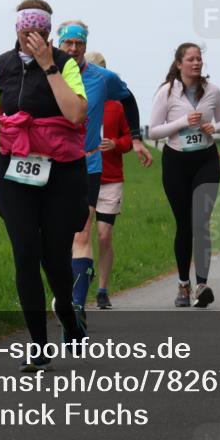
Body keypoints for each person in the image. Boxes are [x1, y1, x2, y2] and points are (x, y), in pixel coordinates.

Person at [0, 0, 89, 372]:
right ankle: (39, 346)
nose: (31, 39)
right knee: (25, 252)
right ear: (17, 31)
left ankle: (69, 318)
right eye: (25, 33)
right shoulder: (1, 65)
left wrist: (47, 65)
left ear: (48, 32)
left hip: (60, 172)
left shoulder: (65, 64)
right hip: (14, 170)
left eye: (38, 33)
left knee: (53, 259)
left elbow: (75, 113)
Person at [57, 21, 153, 327]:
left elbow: (128, 98)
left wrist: (135, 138)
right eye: (67, 44)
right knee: (55, 239)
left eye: (78, 44)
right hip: (52, 164)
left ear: (86, 45)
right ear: (58, 44)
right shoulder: (47, 75)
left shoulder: (103, 77)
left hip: (88, 164)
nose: (72, 50)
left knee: (83, 233)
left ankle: (76, 306)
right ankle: (64, 294)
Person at [148, 43, 220, 308]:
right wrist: (183, 123)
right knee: (184, 225)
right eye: (191, 59)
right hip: (176, 162)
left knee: (201, 222)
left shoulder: (213, 90)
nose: (196, 63)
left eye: (199, 59)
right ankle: (184, 285)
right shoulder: (167, 92)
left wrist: (213, 127)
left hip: (205, 160)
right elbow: (154, 131)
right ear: (179, 63)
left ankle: (203, 284)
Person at [84, 52, 132, 310]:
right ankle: (83, 275)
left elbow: (128, 139)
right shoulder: (78, 102)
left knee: (104, 236)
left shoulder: (116, 106)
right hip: (84, 176)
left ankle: (102, 289)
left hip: (110, 178)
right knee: (82, 233)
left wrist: (116, 143)